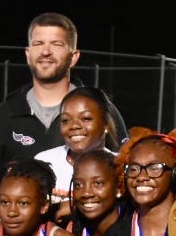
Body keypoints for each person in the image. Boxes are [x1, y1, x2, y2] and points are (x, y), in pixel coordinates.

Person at [0, 13, 126, 182]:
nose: (45, 52)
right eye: (38, 44)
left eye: (56, 44)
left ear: (74, 57)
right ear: (28, 54)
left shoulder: (100, 109)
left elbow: (122, 168)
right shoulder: (3, 115)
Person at [35, 86, 121, 214]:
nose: (74, 126)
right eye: (66, 120)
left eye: (86, 119)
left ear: (106, 124)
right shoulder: (44, 161)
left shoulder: (120, 165)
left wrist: (71, 206)